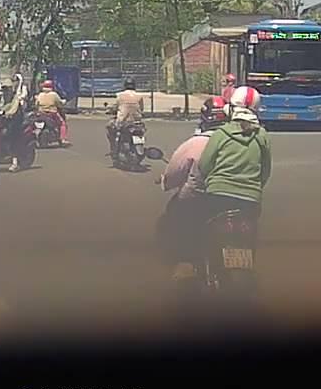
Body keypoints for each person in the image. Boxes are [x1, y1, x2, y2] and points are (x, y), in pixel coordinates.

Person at [158, 96, 230, 280]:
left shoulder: (194, 143)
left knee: (174, 216)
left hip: (196, 198)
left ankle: (184, 260)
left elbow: (173, 174)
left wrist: (166, 182)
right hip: (231, 198)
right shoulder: (236, 142)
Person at [195, 86, 271, 249]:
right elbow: (265, 171)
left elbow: (204, 165)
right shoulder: (262, 136)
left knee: (205, 232)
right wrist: (254, 187)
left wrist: (210, 182)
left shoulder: (221, 134)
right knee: (250, 239)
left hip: (218, 196)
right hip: (251, 199)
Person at [0, 78, 26, 172]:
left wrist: (8, 113)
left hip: (14, 121)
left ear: (11, 89)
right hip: (2, 120)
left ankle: (15, 162)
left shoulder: (15, 98)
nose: (5, 91)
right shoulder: (1, 98)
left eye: (7, 88)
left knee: (10, 138)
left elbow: (14, 109)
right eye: (4, 88)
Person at [106, 77, 146, 156]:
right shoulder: (139, 96)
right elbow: (141, 108)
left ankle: (113, 149)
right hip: (137, 123)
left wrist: (110, 110)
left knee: (109, 127)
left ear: (124, 85)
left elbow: (115, 107)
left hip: (123, 122)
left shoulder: (120, 95)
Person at [34, 79, 68, 145]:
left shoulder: (40, 95)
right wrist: (64, 102)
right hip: (52, 113)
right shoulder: (54, 95)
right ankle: (63, 139)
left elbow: (36, 104)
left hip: (41, 113)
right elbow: (60, 103)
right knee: (62, 124)